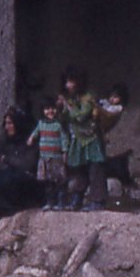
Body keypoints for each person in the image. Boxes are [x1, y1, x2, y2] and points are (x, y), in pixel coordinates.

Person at [57, 67, 107, 210]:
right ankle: (77, 198)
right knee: (77, 170)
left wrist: (68, 106)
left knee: (95, 170)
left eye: (71, 81)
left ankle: (98, 200)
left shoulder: (88, 98)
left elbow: (81, 116)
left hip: (91, 139)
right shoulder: (70, 99)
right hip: (77, 139)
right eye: (66, 81)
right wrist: (60, 108)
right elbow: (63, 119)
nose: (68, 85)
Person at [0, 106, 41, 222]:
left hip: (26, 177)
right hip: (9, 171)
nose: (7, 127)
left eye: (10, 123)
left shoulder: (29, 139)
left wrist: (8, 160)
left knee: (14, 178)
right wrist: (6, 163)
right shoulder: (5, 139)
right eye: (6, 123)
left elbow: (28, 163)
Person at [29, 100, 69, 210]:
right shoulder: (41, 123)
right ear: (42, 111)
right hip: (44, 158)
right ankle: (50, 202)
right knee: (48, 182)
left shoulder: (58, 125)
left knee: (59, 181)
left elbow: (64, 139)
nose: (50, 111)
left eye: (53, 108)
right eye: (47, 109)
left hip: (57, 158)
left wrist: (65, 152)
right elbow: (35, 132)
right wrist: (31, 138)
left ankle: (61, 202)